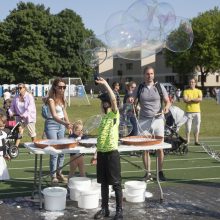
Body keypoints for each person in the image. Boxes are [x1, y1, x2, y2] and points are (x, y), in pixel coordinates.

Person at [91, 77, 123, 220]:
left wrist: (105, 84)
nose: (103, 104)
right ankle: (105, 209)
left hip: (112, 154)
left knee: (116, 184)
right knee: (103, 184)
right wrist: (96, 154)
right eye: (102, 103)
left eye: (104, 102)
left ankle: (119, 211)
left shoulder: (114, 115)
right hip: (102, 154)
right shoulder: (103, 118)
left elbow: (114, 100)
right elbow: (100, 138)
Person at [134, 66, 171, 182]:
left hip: (158, 120)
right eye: (147, 74)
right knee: (145, 148)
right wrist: (132, 103)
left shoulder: (160, 87)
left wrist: (166, 108)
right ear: (144, 75)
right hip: (143, 120)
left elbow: (167, 101)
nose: (149, 76)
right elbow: (133, 101)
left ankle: (160, 172)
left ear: (154, 75)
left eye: (151, 74)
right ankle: (148, 173)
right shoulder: (140, 87)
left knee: (159, 148)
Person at [44, 78, 73, 184]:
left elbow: (64, 112)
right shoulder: (51, 99)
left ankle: (59, 173)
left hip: (61, 126)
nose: (62, 89)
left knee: (62, 151)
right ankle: (53, 175)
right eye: (60, 87)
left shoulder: (62, 98)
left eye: (64, 87)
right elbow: (54, 115)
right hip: (52, 124)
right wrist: (65, 123)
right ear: (55, 87)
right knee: (54, 151)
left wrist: (68, 124)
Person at [183, 78, 203, 145]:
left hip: (197, 112)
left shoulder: (199, 91)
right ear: (189, 83)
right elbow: (185, 100)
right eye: (190, 82)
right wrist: (195, 100)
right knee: (188, 128)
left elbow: (200, 99)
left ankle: (196, 141)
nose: (191, 83)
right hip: (188, 112)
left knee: (197, 127)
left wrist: (190, 100)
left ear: (195, 83)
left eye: (193, 82)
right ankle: (187, 140)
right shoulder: (186, 91)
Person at [0, 113, 10, 180]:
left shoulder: (3, 134)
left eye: (4, 123)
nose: (3, 124)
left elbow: (3, 145)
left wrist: (5, 154)